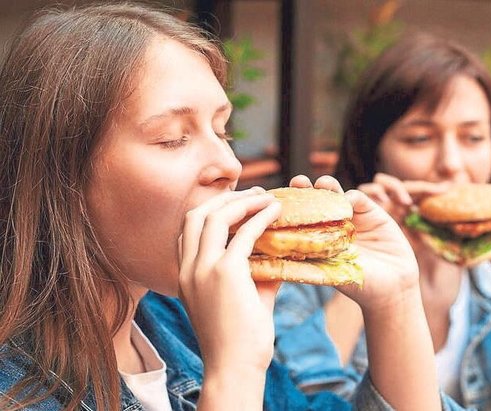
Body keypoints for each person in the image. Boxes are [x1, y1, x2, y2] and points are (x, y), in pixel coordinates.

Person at [0, 4, 459, 410]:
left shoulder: (182, 326)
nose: (229, 166)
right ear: (62, 176)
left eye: (223, 132)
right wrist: (234, 371)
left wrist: (395, 304)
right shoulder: (14, 386)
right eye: (172, 139)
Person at [272, 33, 491, 410]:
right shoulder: (307, 273)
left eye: (473, 137)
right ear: (373, 152)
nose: (452, 162)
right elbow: (297, 400)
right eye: (419, 138)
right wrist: (361, 270)